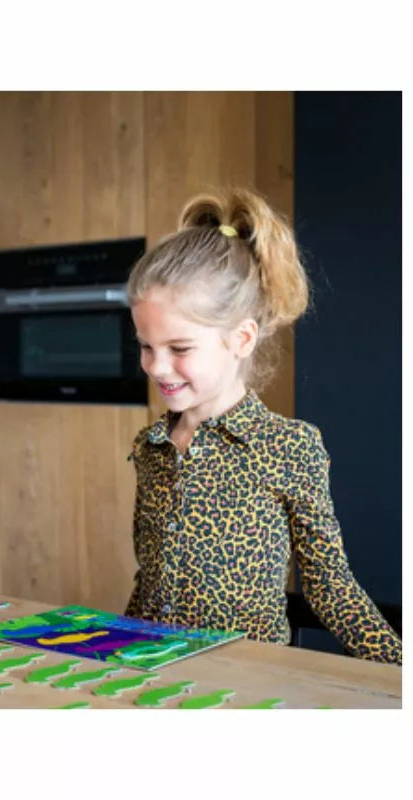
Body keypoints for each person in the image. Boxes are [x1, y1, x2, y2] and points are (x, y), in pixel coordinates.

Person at [124, 187, 401, 664]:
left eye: (180, 349)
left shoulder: (291, 448)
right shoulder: (151, 446)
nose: (156, 367)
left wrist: (398, 666)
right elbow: (149, 584)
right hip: (152, 674)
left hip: (250, 685)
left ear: (242, 338)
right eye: (147, 346)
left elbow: (330, 587)